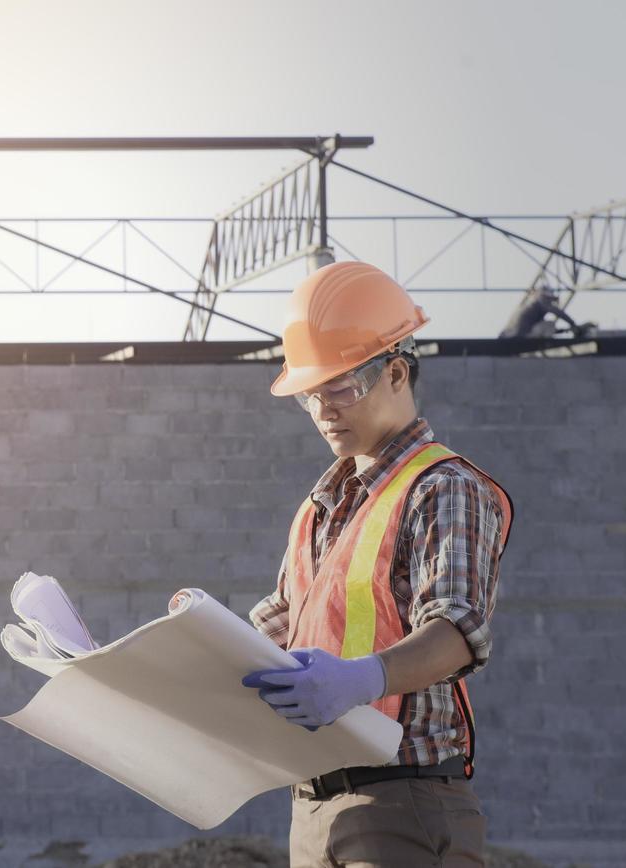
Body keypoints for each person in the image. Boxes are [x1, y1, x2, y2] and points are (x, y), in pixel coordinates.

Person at [241, 261, 513, 867]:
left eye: (340, 387)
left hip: (403, 805)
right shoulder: (319, 509)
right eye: (311, 394)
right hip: (312, 807)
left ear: (395, 371)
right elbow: (283, 632)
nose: (323, 410)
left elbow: (458, 631)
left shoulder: (442, 488)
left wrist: (357, 680)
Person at [498, 282, 579, 338]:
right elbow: (557, 312)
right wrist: (573, 324)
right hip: (521, 336)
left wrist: (562, 331)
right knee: (550, 324)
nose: (551, 302)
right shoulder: (540, 302)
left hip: (509, 335)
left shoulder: (529, 305)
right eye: (549, 299)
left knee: (546, 325)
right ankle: (546, 345)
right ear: (544, 296)